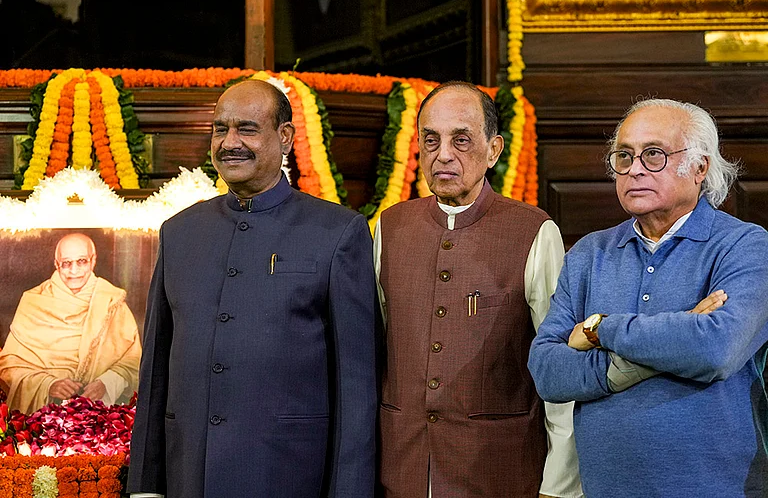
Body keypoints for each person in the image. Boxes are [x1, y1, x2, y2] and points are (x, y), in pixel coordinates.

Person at [127, 79, 377, 498]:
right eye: (220, 129)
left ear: (284, 138)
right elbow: (155, 372)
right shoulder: (180, 233)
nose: (230, 143)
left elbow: (357, 388)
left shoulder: (337, 232)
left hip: (289, 478)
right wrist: (145, 486)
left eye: (246, 129)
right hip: (190, 477)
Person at [528, 98, 768, 497]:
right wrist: (681, 328)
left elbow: (714, 349)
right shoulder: (589, 253)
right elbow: (548, 372)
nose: (634, 168)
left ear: (699, 167)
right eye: (623, 156)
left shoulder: (745, 245)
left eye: (653, 154)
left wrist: (601, 327)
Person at [375, 82, 582, 497]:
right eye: (431, 140)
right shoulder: (391, 227)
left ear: (493, 150)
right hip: (403, 470)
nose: (444, 154)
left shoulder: (533, 230)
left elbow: (560, 368)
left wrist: (559, 484)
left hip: (500, 472)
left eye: (461, 139)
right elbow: (381, 349)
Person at [0, 233, 141, 414]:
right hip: (41, 417)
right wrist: (48, 385)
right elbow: (10, 365)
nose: (74, 271)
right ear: (56, 264)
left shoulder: (112, 302)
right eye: (66, 263)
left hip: (100, 417)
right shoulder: (34, 302)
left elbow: (133, 361)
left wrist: (107, 383)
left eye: (81, 261)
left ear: (93, 261)